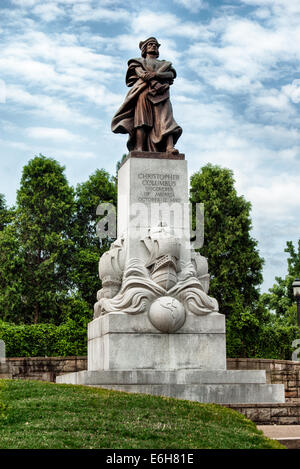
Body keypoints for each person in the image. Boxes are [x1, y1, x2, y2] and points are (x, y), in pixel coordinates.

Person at [111, 37, 182, 154]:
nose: (153, 46)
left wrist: (155, 74)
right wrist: (154, 81)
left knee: (166, 119)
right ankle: (139, 147)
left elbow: (171, 74)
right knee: (142, 120)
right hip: (143, 92)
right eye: (150, 44)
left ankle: (169, 147)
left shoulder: (165, 64)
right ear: (144, 49)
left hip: (162, 94)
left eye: (155, 45)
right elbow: (141, 74)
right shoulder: (137, 62)